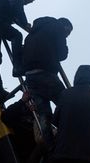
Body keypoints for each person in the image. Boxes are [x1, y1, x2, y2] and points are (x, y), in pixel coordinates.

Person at [22, 16, 72, 147]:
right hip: (46, 74)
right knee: (67, 103)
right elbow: (62, 54)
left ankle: (50, 147)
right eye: (68, 33)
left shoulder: (33, 32)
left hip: (30, 77)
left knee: (44, 114)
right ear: (65, 27)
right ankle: (73, 136)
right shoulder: (58, 27)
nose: (67, 35)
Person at [1, 91, 40, 163]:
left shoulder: (39, 117)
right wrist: (22, 101)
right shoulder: (19, 112)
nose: (33, 103)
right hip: (27, 154)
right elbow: (5, 117)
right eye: (31, 100)